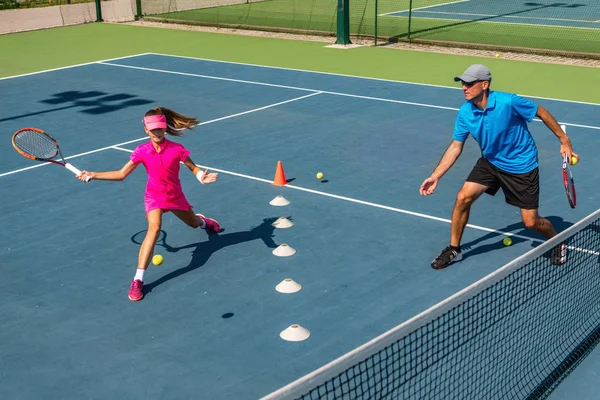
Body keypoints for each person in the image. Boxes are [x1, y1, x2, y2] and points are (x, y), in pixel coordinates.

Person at [420, 64, 577, 269]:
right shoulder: (465, 112)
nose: (464, 87)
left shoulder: (508, 102)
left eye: (469, 83)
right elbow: (456, 146)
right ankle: (454, 249)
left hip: (522, 165)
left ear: (484, 85)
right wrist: (436, 175)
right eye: (463, 84)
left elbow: (541, 112)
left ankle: (557, 240)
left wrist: (564, 141)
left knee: (530, 223)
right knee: (462, 197)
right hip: (491, 161)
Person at [77, 107, 221, 301]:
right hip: (154, 197)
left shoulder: (176, 149)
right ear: (145, 129)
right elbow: (121, 174)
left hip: (175, 196)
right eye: (152, 129)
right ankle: (138, 280)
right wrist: (94, 174)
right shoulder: (141, 151)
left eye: (160, 128)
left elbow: (193, 167)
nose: (157, 132)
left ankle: (203, 222)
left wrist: (201, 177)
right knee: (153, 228)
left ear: (165, 128)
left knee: (193, 223)